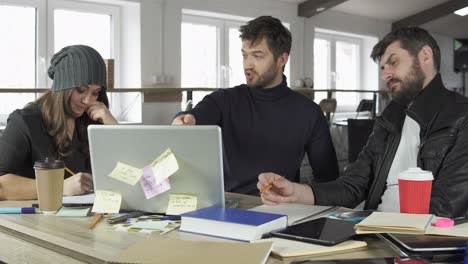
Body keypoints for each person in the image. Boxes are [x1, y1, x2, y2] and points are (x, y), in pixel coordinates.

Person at [258, 27, 468, 218]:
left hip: (421, 245)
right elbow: (352, 186)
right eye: (383, 68)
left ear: (425, 55)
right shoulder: (391, 116)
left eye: (393, 62)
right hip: (374, 233)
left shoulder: (462, 115)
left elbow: (445, 208)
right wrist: (294, 192)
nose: (386, 74)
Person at [172, 16, 339, 195]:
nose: (247, 65)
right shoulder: (224, 99)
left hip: (282, 208)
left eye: (258, 56)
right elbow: (197, 115)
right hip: (229, 207)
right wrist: (184, 119)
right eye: (244, 55)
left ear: (282, 59)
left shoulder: (309, 113)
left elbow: (328, 181)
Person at [0, 45, 118, 200]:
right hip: (36, 218)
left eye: (95, 93)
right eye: (81, 90)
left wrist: (113, 127)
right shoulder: (25, 122)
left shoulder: (92, 120)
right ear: (63, 86)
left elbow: (128, 172)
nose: (87, 100)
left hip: (85, 215)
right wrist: (58, 188)